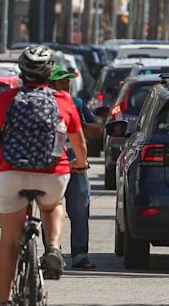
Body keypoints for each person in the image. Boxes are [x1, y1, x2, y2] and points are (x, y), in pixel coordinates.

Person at [0, 46, 87, 306]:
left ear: (22, 72)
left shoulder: (7, 98)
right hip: (52, 175)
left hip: (13, 174)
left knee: (9, 242)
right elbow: (79, 141)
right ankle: (53, 247)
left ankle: (2, 301)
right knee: (54, 205)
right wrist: (81, 162)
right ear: (49, 74)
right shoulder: (62, 100)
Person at [50, 65, 101, 270]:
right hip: (51, 169)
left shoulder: (77, 103)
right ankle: (52, 253)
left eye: (68, 80)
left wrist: (80, 124)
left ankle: (80, 255)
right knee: (51, 211)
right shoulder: (44, 104)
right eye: (62, 80)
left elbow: (97, 130)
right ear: (51, 84)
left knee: (80, 212)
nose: (67, 84)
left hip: (77, 169)